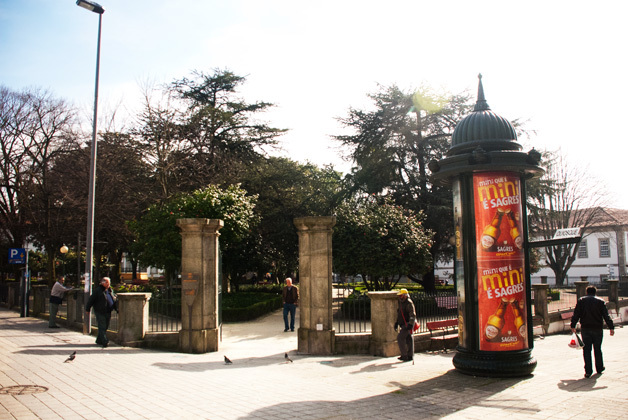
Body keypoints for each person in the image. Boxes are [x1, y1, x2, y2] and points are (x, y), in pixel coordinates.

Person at [570, 285, 615, 378]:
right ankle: (599, 368)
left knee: (586, 350)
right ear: (595, 292)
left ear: (587, 292)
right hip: (597, 328)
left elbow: (576, 314)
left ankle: (588, 371)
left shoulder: (581, 301)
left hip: (585, 328)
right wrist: (611, 327)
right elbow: (606, 316)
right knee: (597, 349)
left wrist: (573, 325)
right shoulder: (601, 302)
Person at [85, 277, 118, 347]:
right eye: (107, 283)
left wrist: (116, 309)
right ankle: (104, 341)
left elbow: (113, 300)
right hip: (100, 311)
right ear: (103, 283)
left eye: (109, 283)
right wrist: (87, 309)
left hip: (108, 311)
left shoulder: (110, 290)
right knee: (102, 326)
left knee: (105, 326)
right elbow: (91, 300)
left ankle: (99, 340)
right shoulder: (98, 290)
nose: (109, 284)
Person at [395, 288, 416, 362]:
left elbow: (412, 314)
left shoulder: (408, 303)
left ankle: (404, 355)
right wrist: (397, 322)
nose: (400, 297)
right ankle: (410, 355)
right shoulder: (401, 302)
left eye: (401, 295)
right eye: (399, 295)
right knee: (408, 339)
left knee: (400, 338)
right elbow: (399, 313)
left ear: (405, 295)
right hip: (403, 323)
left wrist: (410, 324)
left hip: (407, 324)